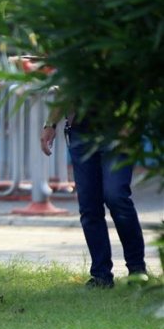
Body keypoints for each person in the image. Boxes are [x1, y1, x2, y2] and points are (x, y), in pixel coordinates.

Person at [41, 108, 148, 289]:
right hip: (80, 132)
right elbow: (65, 87)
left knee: (116, 196)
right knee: (89, 206)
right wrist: (50, 124)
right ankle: (101, 276)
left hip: (118, 130)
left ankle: (137, 270)